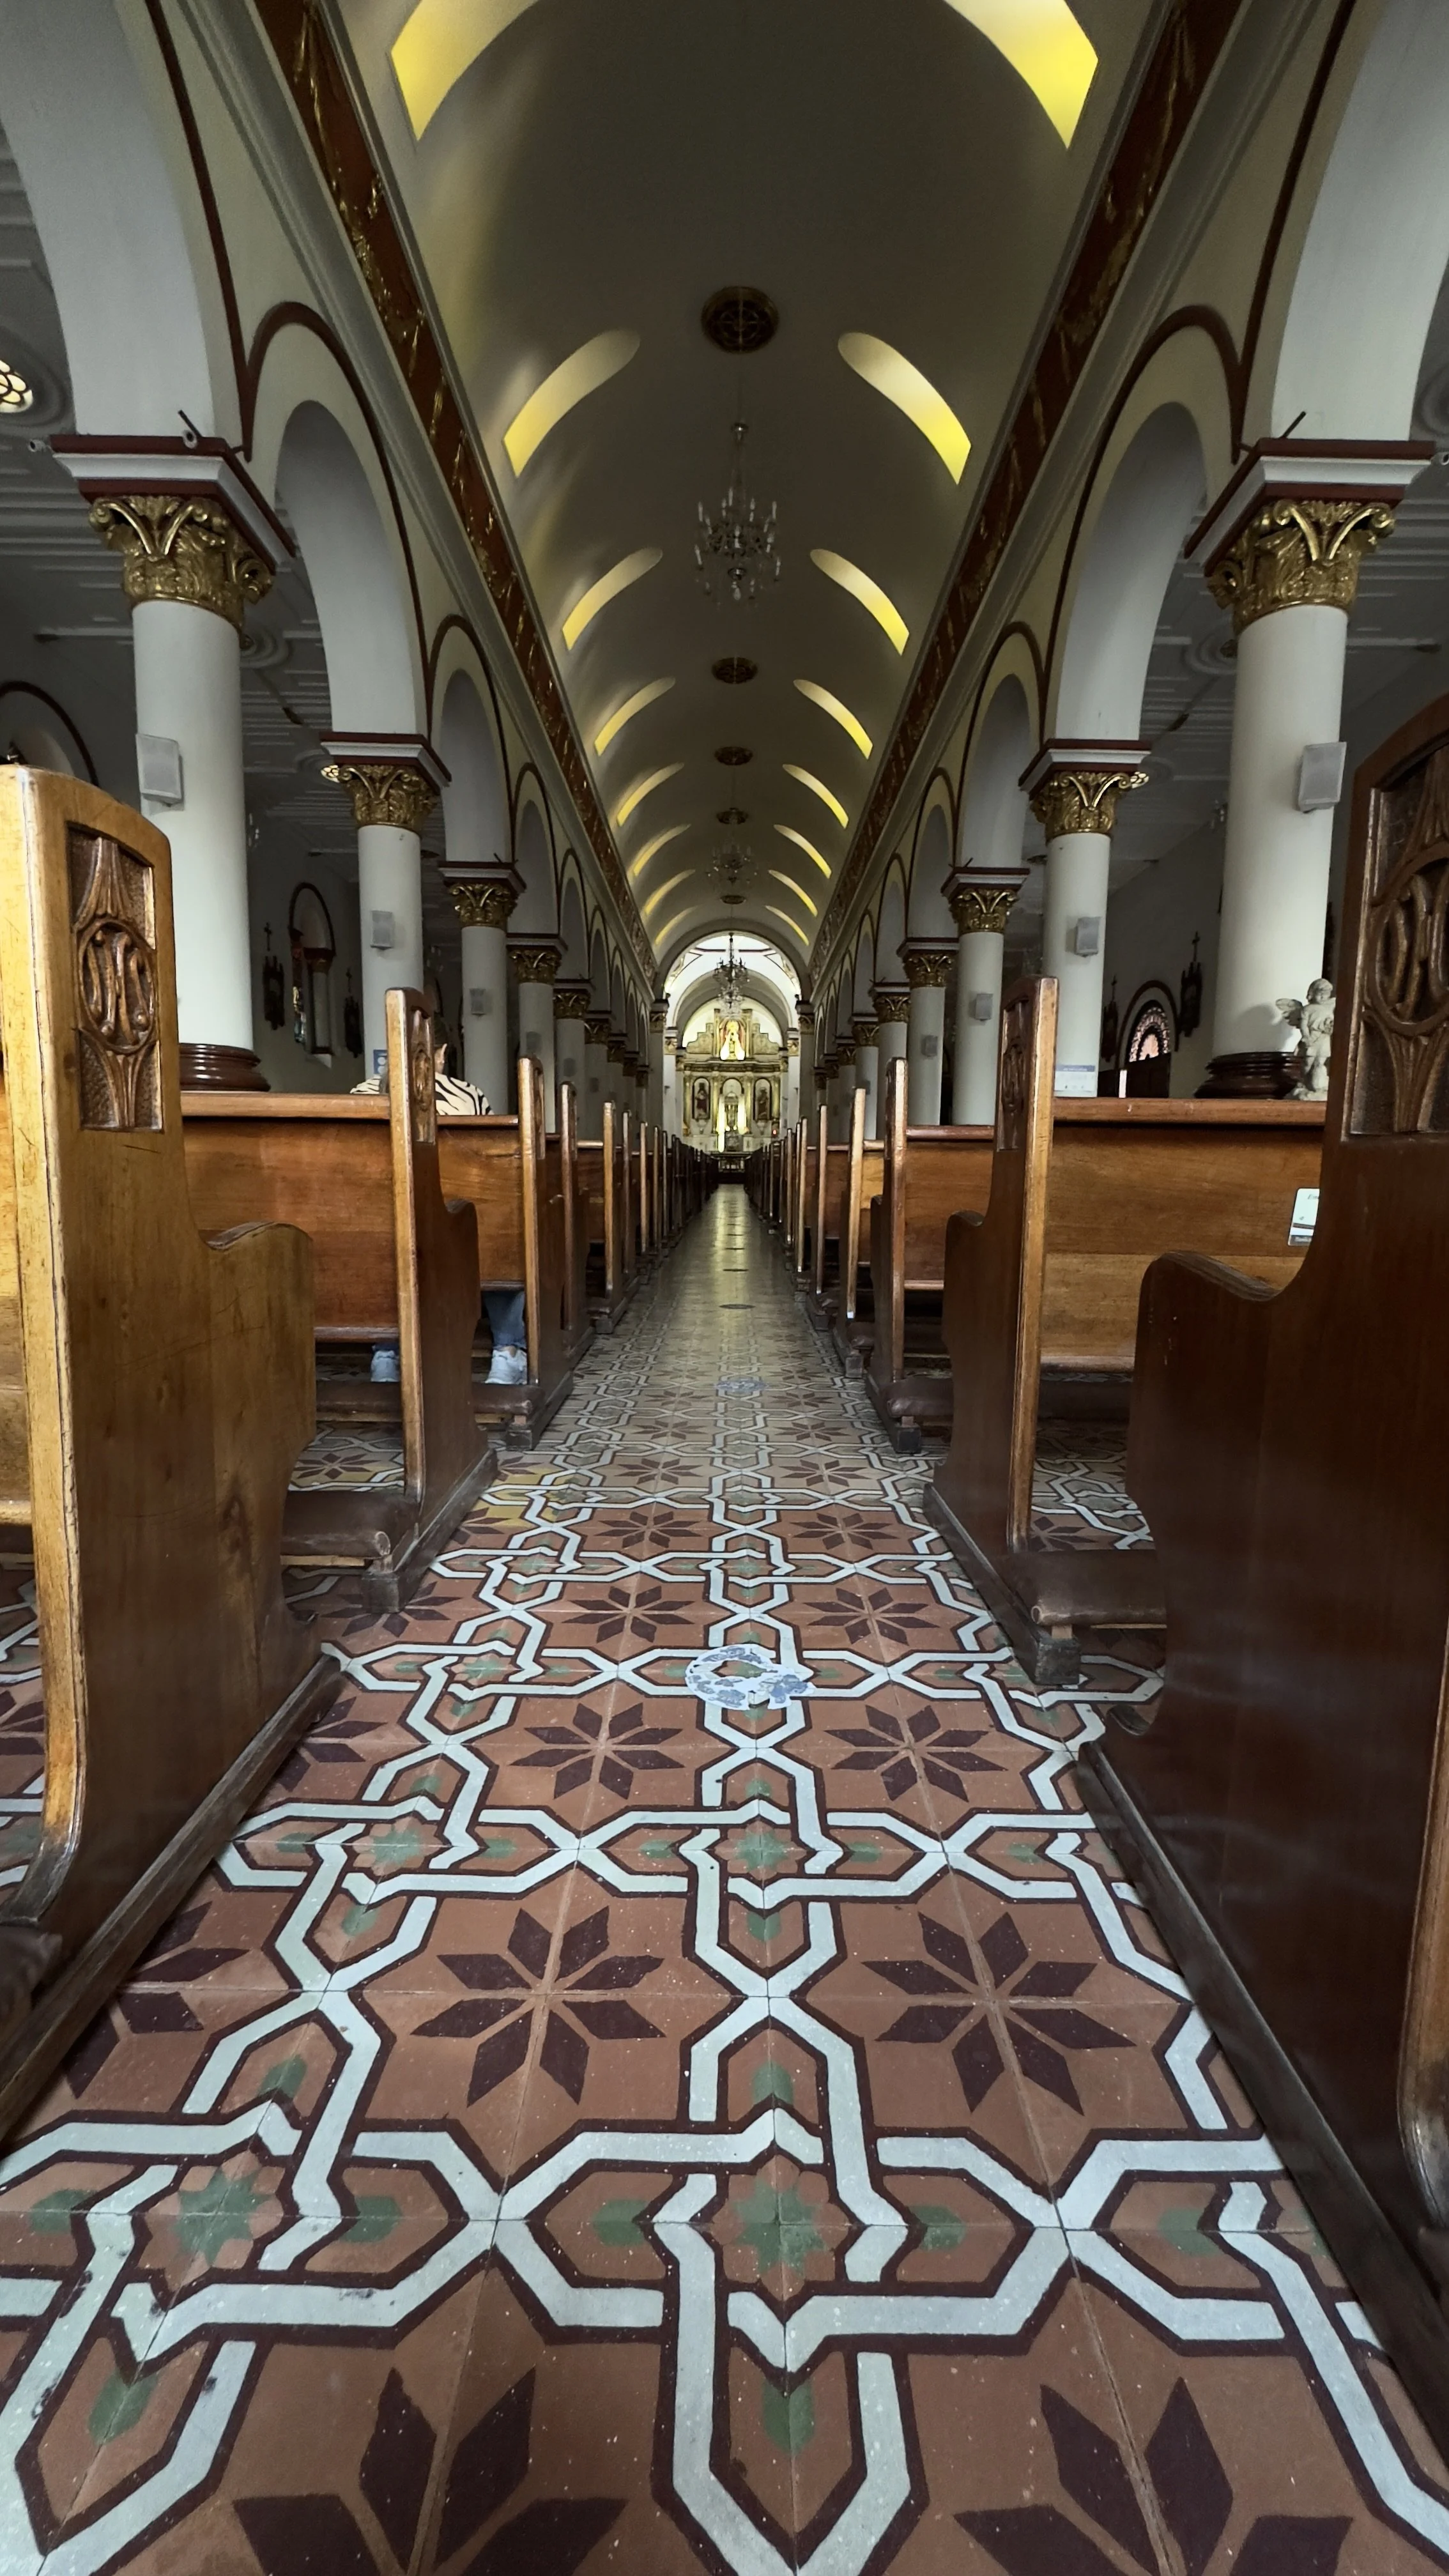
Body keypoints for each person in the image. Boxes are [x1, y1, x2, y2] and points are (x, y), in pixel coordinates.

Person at [351, 1028, 526, 1385]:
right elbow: (490, 1167)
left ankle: (386, 1354)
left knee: (376, 1235)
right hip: (449, 1225)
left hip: (385, 1224)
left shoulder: (360, 1094)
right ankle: (508, 1350)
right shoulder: (468, 1096)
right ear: (442, 1054)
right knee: (501, 1231)